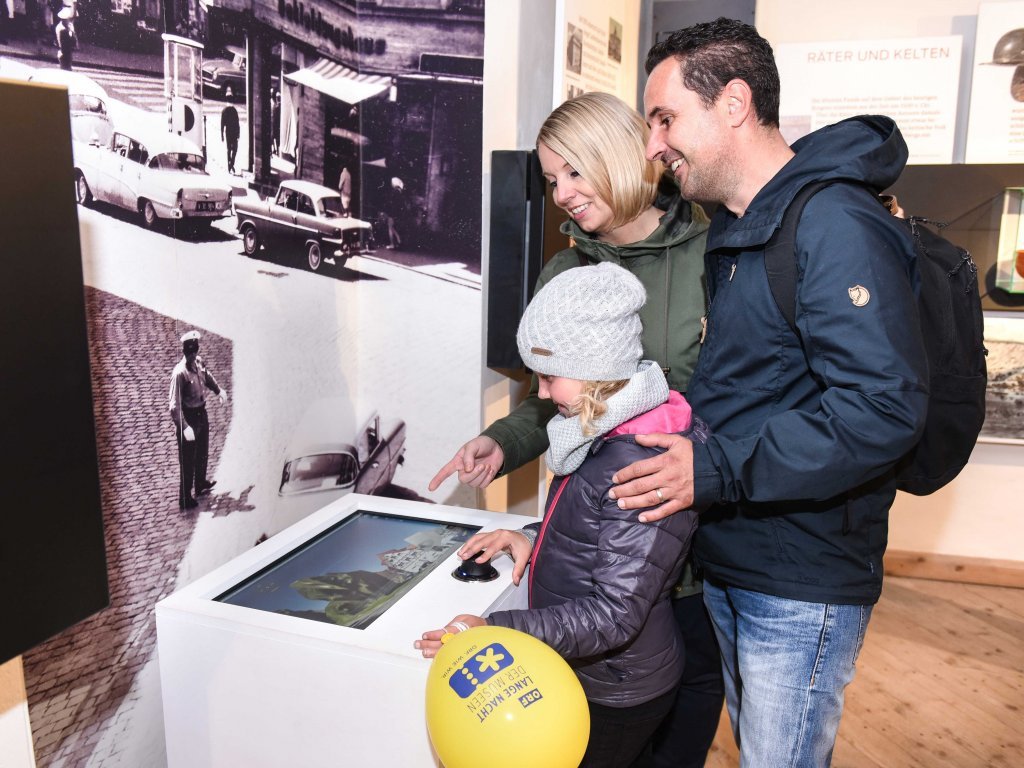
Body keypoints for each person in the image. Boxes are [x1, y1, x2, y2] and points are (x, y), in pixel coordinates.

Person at [608, 18, 929, 766]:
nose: (654, 145)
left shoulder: (836, 225)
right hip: (738, 555)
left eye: (664, 119)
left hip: (801, 579)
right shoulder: (739, 228)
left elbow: (882, 408)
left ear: (733, 103)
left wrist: (712, 469)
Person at [428, 92, 722, 768]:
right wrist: (501, 442)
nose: (561, 193)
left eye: (575, 173)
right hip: (602, 546)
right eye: (552, 178)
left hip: (693, 548)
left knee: (677, 720)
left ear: (620, 158)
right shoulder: (566, 268)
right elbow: (559, 401)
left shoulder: (713, 253)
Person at [417, 263, 709, 768]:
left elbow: (614, 613)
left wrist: (494, 631)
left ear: (596, 368)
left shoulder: (639, 464)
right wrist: (534, 535)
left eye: (549, 377)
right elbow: (592, 530)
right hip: (598, 670)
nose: (545, 394)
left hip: (618, 687)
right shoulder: (604, 431)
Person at [168, 330, 228, 510]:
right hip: (189, 417)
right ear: (185, 351)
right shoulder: (179, 374)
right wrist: (184, 427)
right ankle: (185, 498)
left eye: (195, 351)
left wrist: (218, 390)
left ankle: (200, 484)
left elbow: (207, 378)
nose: (193, 355)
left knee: (202, 451)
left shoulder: (199, 362)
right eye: (190, 352)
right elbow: (174, 406)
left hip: (202, 414)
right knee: (187, 460)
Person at [221, 104, 240, 174]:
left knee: (229, 149)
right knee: (234, 149)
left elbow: (222, 124)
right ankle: (231, 163)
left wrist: (222, 135)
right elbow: (237, 123)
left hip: (228, 132)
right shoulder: (234, 110)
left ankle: (229, 164)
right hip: (234, 132)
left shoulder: (224, 110)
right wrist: (238, 134)